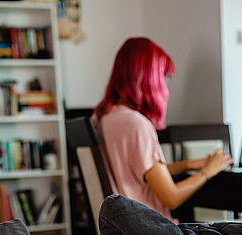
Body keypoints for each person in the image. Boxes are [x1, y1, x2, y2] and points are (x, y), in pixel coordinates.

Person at [93, 37, 232, 221]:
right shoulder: (136, 124)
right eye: (164, 78)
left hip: (124, 233)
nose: (166, 87)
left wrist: (188, 165)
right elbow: (172, 198)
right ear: (149, 78)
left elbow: (139, 173)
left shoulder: (103, 117)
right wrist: (210, 171)